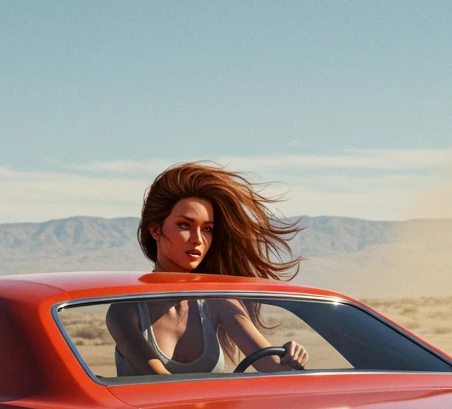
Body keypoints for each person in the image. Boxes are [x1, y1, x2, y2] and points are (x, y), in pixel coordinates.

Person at [108, 162, 310, 377]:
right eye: (184, 225)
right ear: (156, 230)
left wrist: (289, 357)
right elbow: (159, 381)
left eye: (207, 229)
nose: (198, 239)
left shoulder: (219, 302)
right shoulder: (125, 311)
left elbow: (273, 369)